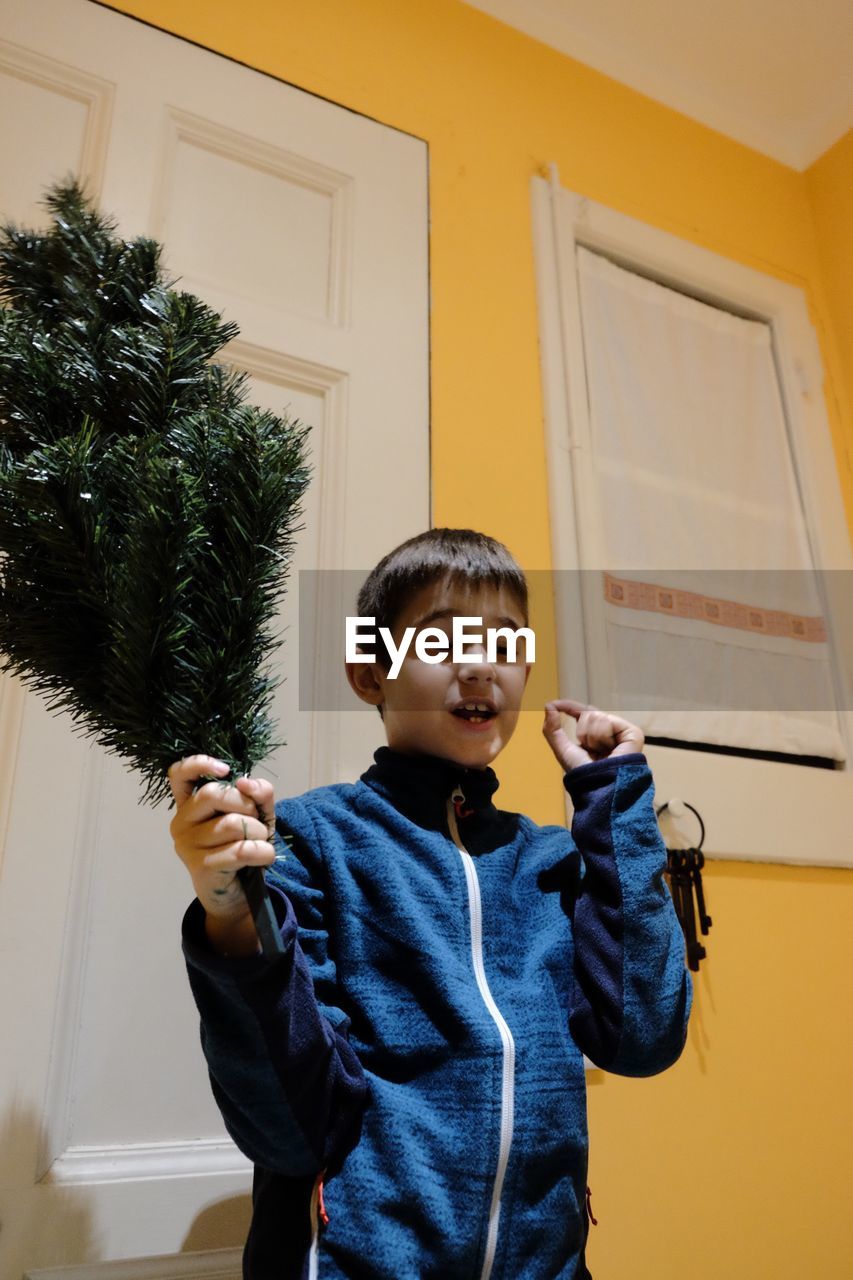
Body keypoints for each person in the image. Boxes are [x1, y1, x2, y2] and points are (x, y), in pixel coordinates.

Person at [168, 527, 692, 1280]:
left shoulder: (549, 859)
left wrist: (615, 802)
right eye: (444, 640)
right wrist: (234, 924)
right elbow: (288, 1129)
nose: (481, 666)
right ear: (367, 670)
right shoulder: (311, 840)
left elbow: (642, 1039)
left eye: (507, 647)